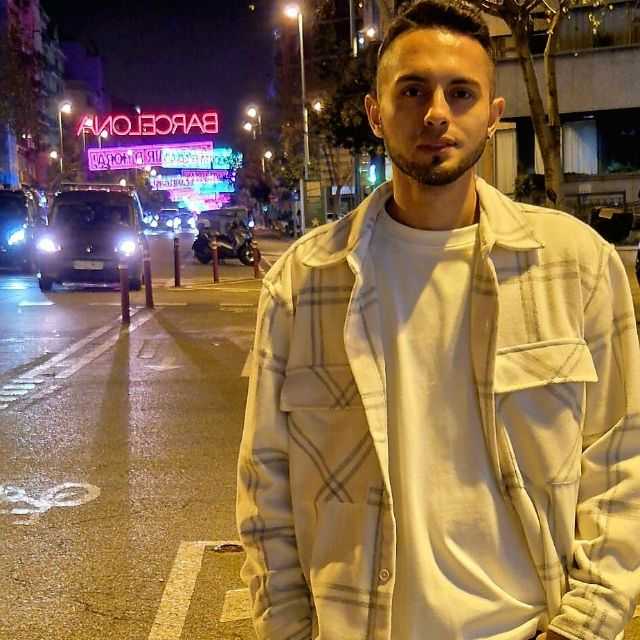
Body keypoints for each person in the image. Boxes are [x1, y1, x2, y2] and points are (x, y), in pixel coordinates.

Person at [236, 1, 640, 638]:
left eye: (460, 93)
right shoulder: (302, 282)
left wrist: (586, 625)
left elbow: (621, 460)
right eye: (412, 90)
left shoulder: (577, 266)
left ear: (493, 115)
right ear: (375, 112)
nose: (436, 113)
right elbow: (266, 483)